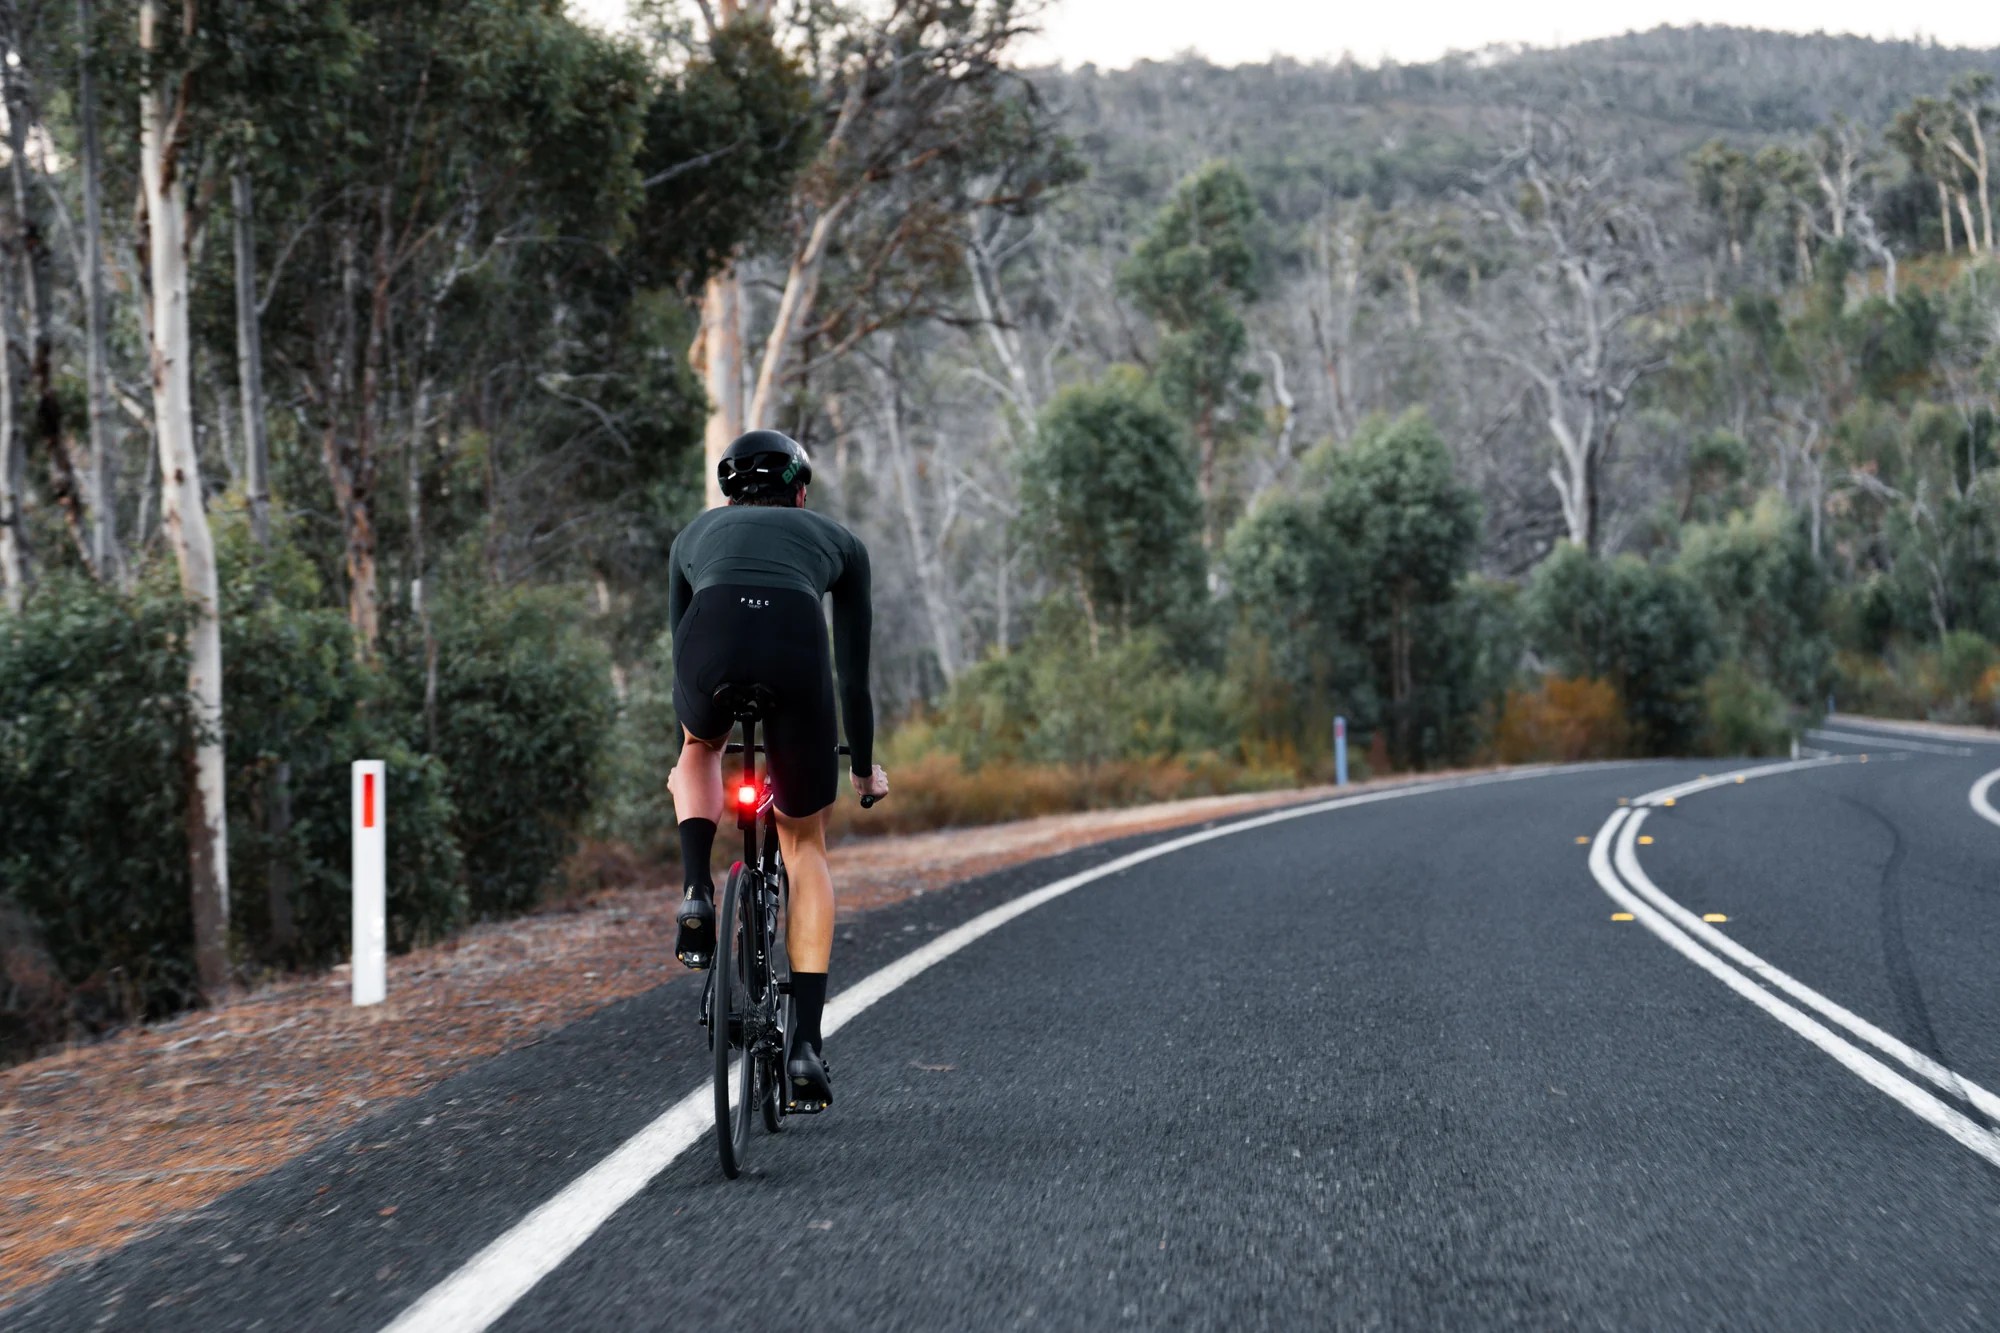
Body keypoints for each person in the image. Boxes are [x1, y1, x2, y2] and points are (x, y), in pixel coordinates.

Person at [665, 429, 888, 1109]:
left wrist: (699, 730)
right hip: (794, 651)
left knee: (697, 749)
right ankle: (806, 1048)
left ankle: (695, 892)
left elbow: (682, 648)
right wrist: (863, 766)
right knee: (803, 843)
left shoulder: (691, 537)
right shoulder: (839, 541)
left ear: (728, 490)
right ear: (800, 490)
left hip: (710, 645)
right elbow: (852, 676)